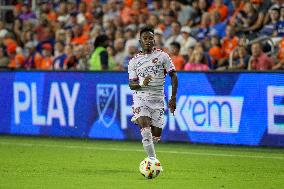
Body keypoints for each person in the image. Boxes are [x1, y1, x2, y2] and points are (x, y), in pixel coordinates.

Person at [128, 26, 178, 160]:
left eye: (151, 38)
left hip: (158, 100)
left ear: (154, 41)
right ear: (140, 42)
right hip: (141, 99)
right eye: (145, 38)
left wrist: (173, 98)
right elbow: (132, 85)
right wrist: (141, 83)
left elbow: (174, 76)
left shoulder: (163, 56)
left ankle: (151, 155)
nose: (148, 41)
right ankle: (152, 161)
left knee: (155, 137)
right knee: (146, 133)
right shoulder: (134, 62)